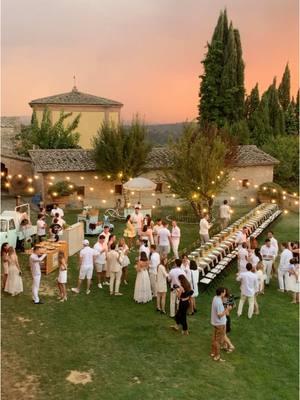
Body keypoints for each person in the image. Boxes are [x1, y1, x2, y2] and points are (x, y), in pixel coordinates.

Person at [211, 287, 231, 362]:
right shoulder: (219, 302)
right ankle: (217, 356)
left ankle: (213, 352)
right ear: (221, 293)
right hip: (220, 324)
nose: (225, 293)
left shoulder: (215, 298)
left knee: (214, 338)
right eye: (224, 292)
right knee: (218, 341)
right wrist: (227, 310)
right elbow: (219, 314)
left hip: (215, 322)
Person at [222, 288, 235, 352]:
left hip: (225, 319)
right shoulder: (227, 300)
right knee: (224, 333)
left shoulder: (225, 300)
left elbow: (227, 310)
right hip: (226, 318)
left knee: (223, 334)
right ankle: (225, 346)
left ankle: (231, 346)